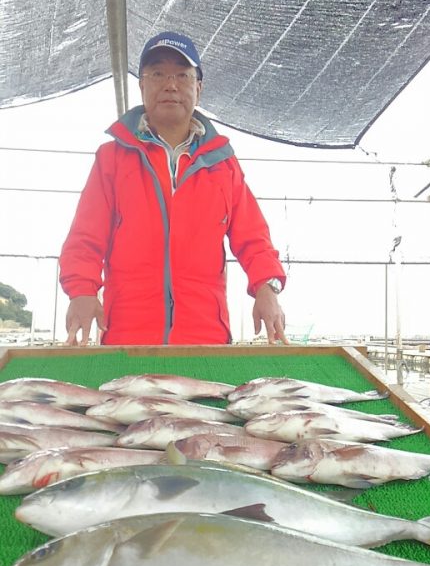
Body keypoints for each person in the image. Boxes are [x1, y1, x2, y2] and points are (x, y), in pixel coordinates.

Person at [59, 31, 288, 347]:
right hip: (128, 337)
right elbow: (86, 237)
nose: (170, 85)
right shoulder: (111, 159)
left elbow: (254, 239)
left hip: (206, 339)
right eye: (157, 74)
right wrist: (81, 291)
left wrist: (267, 287)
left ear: (198, 88)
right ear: (142, 86)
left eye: (182, 75)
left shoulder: (224, 165)